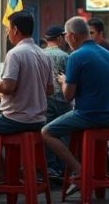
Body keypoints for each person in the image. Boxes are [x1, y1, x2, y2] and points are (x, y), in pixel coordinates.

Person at [42, 16, 109, 185]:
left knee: (46, 132)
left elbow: (68, 96)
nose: (66, 40)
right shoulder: (108, 55)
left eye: (66, 36)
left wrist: (63, 81)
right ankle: (90, 175)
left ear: (72, 36)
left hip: (88, 116)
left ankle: (81, 172)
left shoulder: (76, 56)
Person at [0, 12, 54, 170]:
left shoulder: (15, 53)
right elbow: (50, 90)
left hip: (16, 118)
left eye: (8, 29)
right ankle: (17, 173)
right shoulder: (43, 54)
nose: (7, 34)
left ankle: (6, 174)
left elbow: (7, 88)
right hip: (38, 119)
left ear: (15, 30)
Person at [41, 25, 71, 176]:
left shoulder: (39, 55)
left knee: (47, 132)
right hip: (62, 100)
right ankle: (65, 168)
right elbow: (70, 80)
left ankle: (51, 168)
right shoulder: (65, 56)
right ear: (59, 38)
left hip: (44, 99)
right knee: (63, 134)